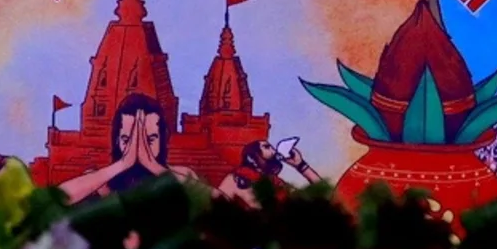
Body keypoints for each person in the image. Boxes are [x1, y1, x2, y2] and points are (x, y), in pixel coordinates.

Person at [57, 93, 197, 203]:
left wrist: (152, 165)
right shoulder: (101, 182)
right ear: (117, 140)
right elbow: (56, 199)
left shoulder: (180, 175)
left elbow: (215, 200)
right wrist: (123, 164)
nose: (139, 148)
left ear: (162, 140)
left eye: (149, 140)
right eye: (127, 140)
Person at [216, 139, 320, 207]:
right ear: (252, 157)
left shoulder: (276, 183)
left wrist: (300, 165)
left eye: (272, 147)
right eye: (267, 147)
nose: (274, 151)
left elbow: (321, 193)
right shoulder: (234, 180)